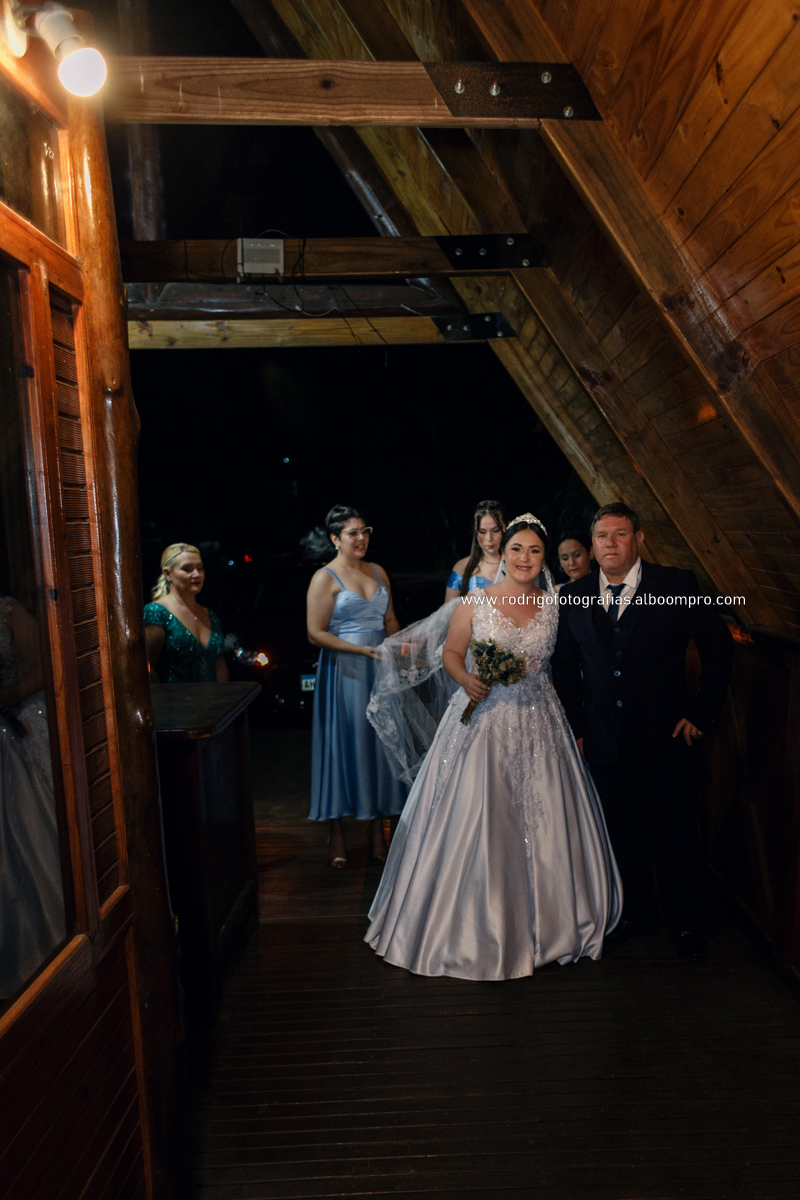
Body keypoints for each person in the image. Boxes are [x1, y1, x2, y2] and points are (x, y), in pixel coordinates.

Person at [366, 514, 621, 981]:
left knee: (546, 820)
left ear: (544, 559)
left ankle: (553, 923)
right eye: (517, 549)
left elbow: (568, 663)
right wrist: (467, 679)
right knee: (480, 816)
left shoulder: (555, 604)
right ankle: (470, 925)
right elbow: (451, 654)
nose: (525, 558)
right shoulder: (474, 602)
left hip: (542, 721)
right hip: (482, 721)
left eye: (535, 551)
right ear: (502, 553)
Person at [551, 502, 733, 962]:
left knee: (676, 835)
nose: (610, 544)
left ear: (638, 539)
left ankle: (686, 923)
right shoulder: (575, 595)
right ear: (592, 544)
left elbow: (717, 644)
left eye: (619, 535)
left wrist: (701, 713)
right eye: (602, 536)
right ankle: (636, 914)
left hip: (667, 739)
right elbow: (565, 666)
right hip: (604, 741)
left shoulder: (675, 585)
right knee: (622, 833)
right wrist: (578, 727)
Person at [307, 506, 408, 869]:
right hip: (346, 671)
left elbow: (390, 619)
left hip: (380, 668)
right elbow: (315, 633)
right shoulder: (324, 577)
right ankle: (336, 833)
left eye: (365, 531)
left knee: (381, 743)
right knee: (346, 743)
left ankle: (377, 829)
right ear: (335, 538)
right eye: (353, 533)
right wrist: (360, 650)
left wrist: (398, 648)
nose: (361, 538)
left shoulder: (378, 571)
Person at [0, 594, 66, 999]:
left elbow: (47, 664)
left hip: (18, 726)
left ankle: (47, 947)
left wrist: (10, 694)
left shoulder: (7, 612)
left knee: (30, 831)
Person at [143, 543, 229, 683]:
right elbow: (145, 665)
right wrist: (162, 694)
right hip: (175, 696)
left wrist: (225, 695)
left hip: (214, 696)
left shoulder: (210, 615)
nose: (196, 574)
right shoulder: (157, 612)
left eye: (200, 568)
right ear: (168, 574)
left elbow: (219, 665)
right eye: (187, 569)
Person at [444, 500, 505, 602]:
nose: (489, 538)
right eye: (482, 532)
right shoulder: (462, 567)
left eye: (495, 531)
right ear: (476, 533)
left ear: (505, 528)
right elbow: (448, 610)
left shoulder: (516, 565)